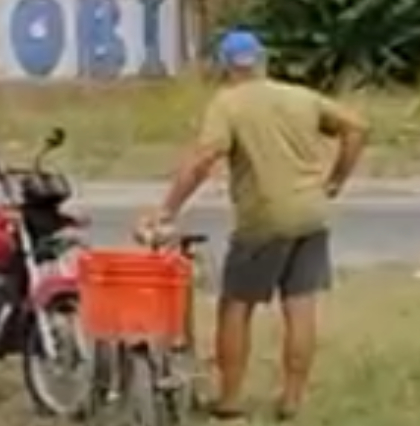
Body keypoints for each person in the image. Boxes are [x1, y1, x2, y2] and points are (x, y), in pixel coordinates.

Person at [142, 28, 369, 422]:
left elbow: (203, 158)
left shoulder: (228, 104)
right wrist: (335, 180)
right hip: (312, 215)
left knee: (236, 305)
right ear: (262, 60)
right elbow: (357, 128)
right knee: (300, 305)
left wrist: (168, 208)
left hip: (263, 220)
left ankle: (230, 400)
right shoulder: (301, 97)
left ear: (227, 67)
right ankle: (292, 400)